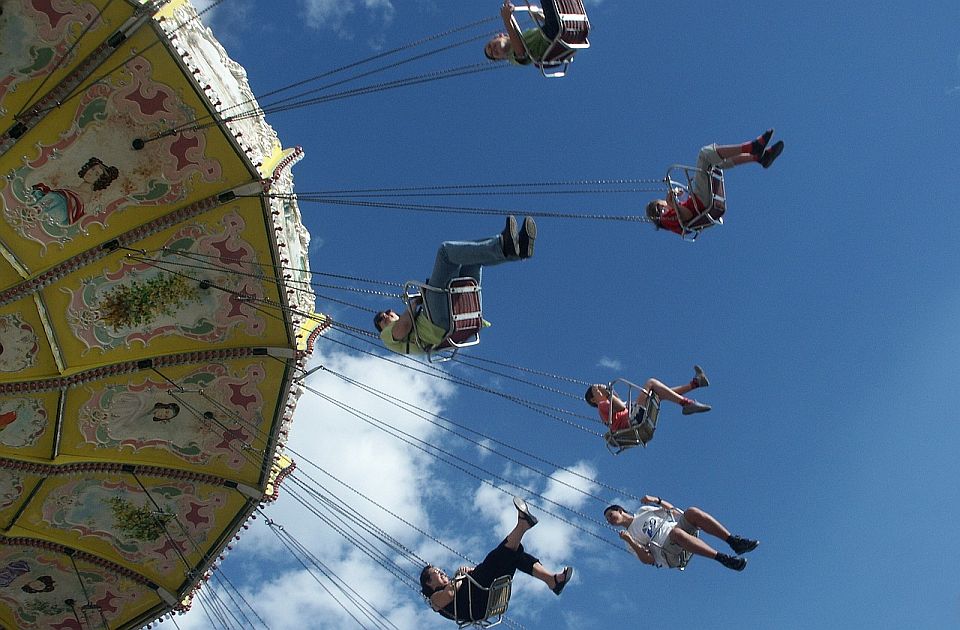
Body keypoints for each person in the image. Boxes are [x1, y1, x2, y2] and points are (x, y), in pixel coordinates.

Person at [374, 216, 536, 355]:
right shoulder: (386, 336)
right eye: (383, 317)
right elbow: (403, 328)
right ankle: (503, 245)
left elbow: (407, 323)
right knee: (445, 252)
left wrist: (419, 302)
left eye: (389, 311)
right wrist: (415, 303)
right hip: (436, 324)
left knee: (471, 256)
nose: (388, 313)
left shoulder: (410, 320)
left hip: (448, 321)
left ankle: (516, 248)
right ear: (382, 327)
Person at [420, 497, 573, 623]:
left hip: (484, 591)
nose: (442, 572)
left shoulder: (455, 583)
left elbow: (461, 583)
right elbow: (451, 593)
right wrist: (460, 576)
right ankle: (522, 525)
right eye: (437, 573)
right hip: (477, 603)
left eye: (441, 571)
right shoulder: (434, 600)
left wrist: (469, 571)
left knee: (514, 555)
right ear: (429, 582)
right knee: (497, 557)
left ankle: (552, 581)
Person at [646, 130, 785, 235]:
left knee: (716, 163)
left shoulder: (671, 220)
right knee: (704, 155)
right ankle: (750, 147)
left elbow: (686, 213)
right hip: (702, 202)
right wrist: (673, 204)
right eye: (663, 204)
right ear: (659, 208)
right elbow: (687, 215)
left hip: (702, 203)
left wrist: (677, 199)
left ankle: (758, 157)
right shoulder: (666, 219)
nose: (665, 206)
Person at [604, 497, 759, 572]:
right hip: (667, 552)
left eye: (611, 515)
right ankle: (723, 558)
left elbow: (672, 511)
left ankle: (733, 541)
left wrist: (656, 500)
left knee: (692, 512)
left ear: (620, 510)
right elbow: (648, 560)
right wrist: (630, 540)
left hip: (675, 530)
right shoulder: (628, 537)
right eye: (608, 520)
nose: (610, 520)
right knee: (676, 533)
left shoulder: (642, 511)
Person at [585, 366, 711, 433]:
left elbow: (618, 400)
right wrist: (602, 392)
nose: (601, 390)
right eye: (597, 392)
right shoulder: (602, 404)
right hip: (632, 419)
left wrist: (608, 391)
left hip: (633, 416)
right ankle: (687, 404)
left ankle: (695, 384)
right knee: (651, 382)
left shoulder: (608, 404)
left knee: (659, 393)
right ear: (593, 400)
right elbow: (622, 407)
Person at [484, 1, 572, 66]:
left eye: (490, 46)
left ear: (500, 36)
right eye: (493, 54)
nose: (493, 50)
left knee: (557, 9)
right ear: (502, 58)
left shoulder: (524, 35)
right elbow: (521, 53)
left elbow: (552, 25)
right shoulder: (513, 58)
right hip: (553, 40)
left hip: (558, 31)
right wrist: (507, 19)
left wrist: (537, 16)